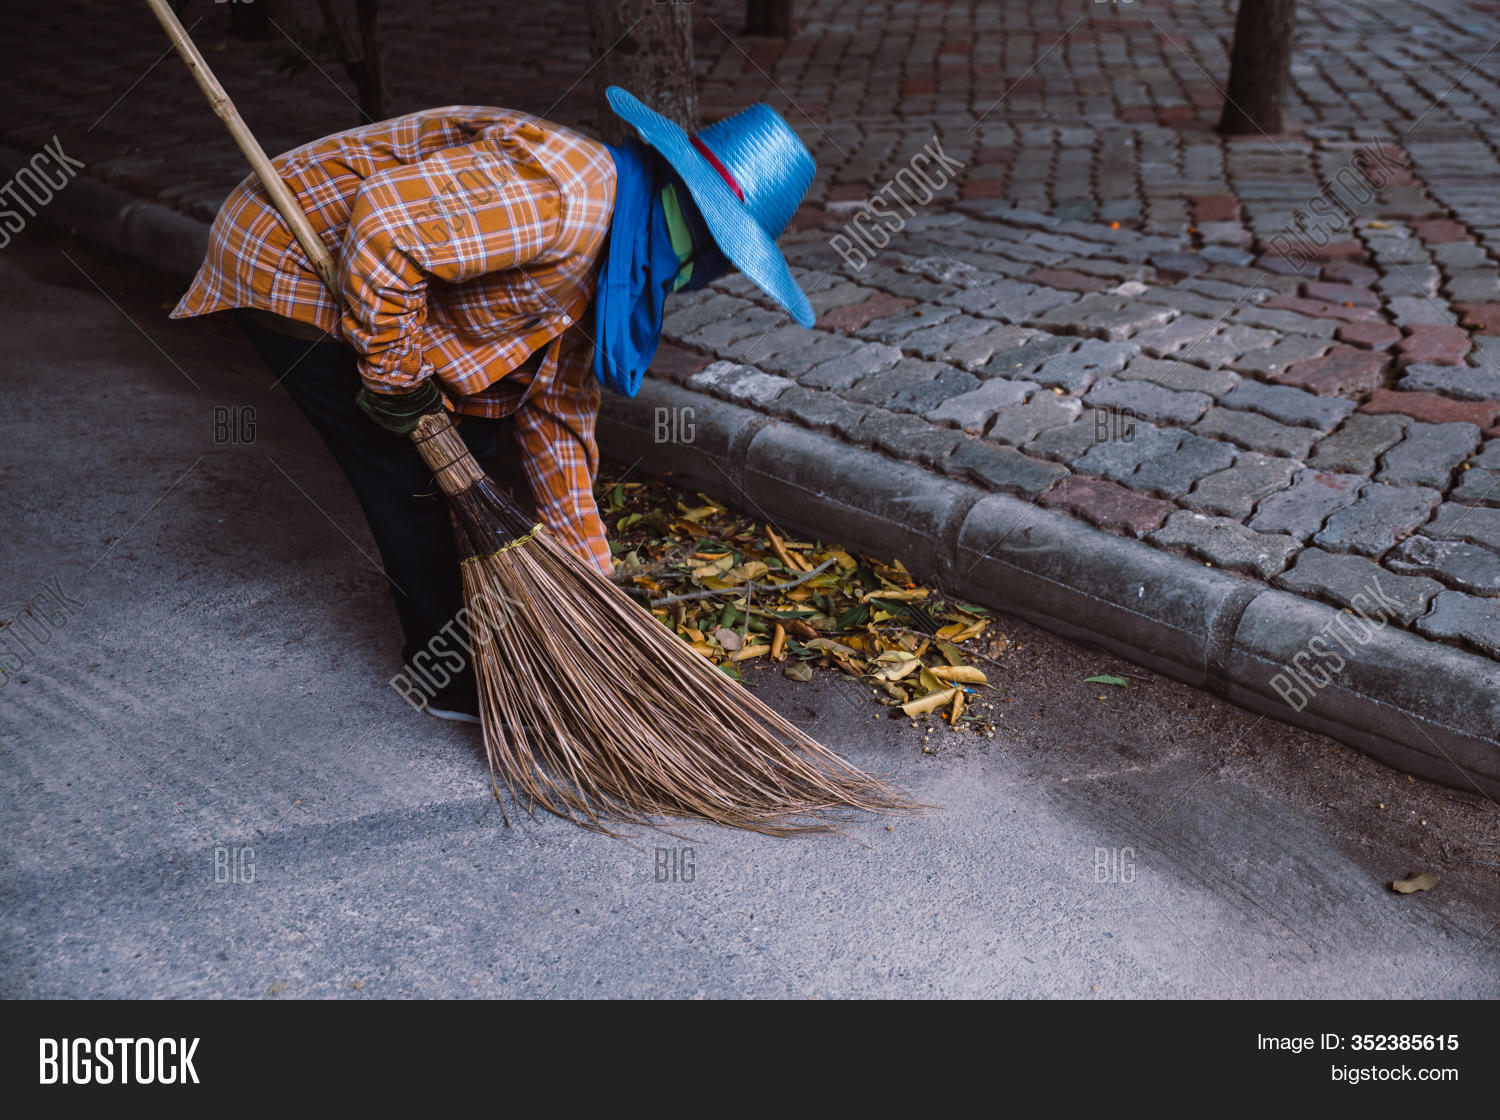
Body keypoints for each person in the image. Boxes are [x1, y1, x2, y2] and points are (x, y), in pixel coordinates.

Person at [172, 87, 816, 723]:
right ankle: (447, 678)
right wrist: (397, 383)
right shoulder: (570, 198)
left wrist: (596, 598)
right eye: (723, 254)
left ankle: (490, 629)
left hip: (389, 281)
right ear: (703, 232)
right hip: (296, 253)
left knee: (475, 443)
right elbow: (385, 229)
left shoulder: (617, 259)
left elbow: (556, 421)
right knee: (408, 473)